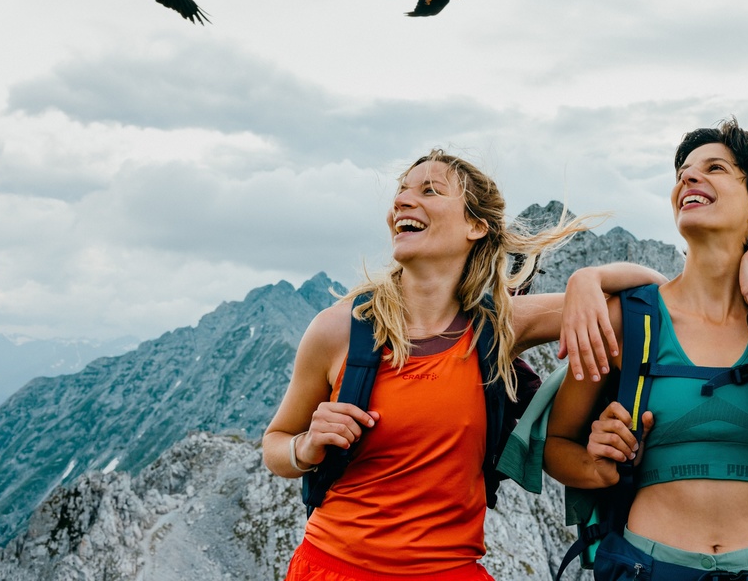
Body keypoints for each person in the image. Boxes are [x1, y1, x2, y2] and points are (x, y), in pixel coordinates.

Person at [263, 148, 665, 581]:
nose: (401, 201)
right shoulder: (338, 330)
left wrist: (589, 278)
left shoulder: (500, 325)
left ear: (476, 225)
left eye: (429, 190)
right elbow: (275, 445)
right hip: (329, 567)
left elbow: (653, 293)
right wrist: (305, 448)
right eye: (400, 193)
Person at [544, 119, 748, 580]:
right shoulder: (631, 320)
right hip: (649, 567)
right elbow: (557, 444)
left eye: (715, 167)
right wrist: (597, 464)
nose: (688, 177)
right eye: (683, 171)